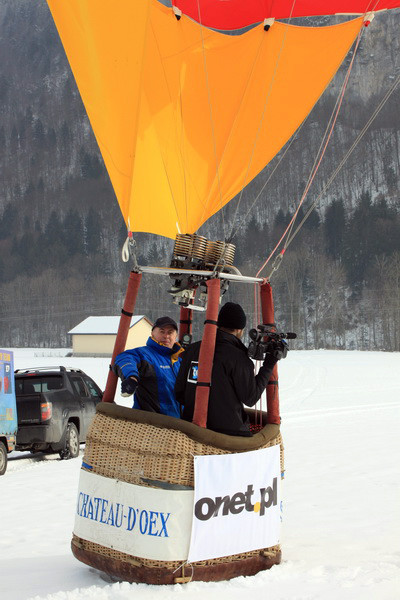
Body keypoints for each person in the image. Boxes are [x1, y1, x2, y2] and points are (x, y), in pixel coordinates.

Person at [175, 302, 287, 436]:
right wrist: (269, 364)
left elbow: (179, 394)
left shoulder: (192, 350)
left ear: (218, 325)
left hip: (191, 429)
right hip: (229, 434)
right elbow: (250, 398)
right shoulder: (238, 357)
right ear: (240, 329)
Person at [114, 316, 184, 418]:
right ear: (152, 333)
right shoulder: (145, 355)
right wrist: (131, 377)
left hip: (177, 425)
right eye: (161, 331)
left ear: (175, 336)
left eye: (170, 332)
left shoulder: (180, 361)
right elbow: (125, 358)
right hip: (150, 424)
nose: (166, 336)